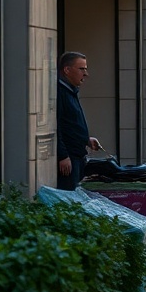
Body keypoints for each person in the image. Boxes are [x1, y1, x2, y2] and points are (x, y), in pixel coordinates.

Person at [56, 51, 101, 190]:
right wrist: (63, 155)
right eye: (82, 69)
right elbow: (56, 126)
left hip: (78, 155)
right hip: (69, 159)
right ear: (67, 70)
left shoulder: (71, 91)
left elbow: (71, 124)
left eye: (86, 69)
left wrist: (85, 139)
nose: (86, 74)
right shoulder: (60, 92)